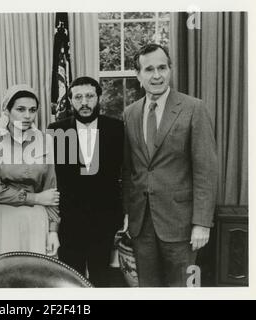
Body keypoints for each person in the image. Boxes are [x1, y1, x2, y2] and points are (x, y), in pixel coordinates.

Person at [123, 43, 218, 287]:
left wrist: (201, 223)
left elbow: (206, 170)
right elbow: (130, 169)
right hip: (141, 225)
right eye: (149, 69)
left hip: (181, 226)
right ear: (138, 75)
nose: (157, 75)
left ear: (170, 69)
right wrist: (127, 213)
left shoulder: (193, 108)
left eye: (162, 68)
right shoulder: (130, 113)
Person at [48, 76, 124, 287]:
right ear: (70, 100)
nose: (84, 102)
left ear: (99, 97)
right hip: (70, 222)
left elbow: (127, 174)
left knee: (102, 278)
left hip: (105, 221)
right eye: (78, 97)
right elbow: (53, 178)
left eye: (90, 96)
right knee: (70, 280)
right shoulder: (57, 131)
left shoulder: (116, 129)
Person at [0, 84, 60, 260]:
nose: (27, 116)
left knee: (35, 277)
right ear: (6, 110)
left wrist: (53, 230)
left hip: (37, 220)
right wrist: (37, 198)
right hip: (4, 219)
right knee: (4, 277)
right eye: (20, 109)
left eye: (32, 110)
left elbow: (51, 190)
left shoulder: (46, 141)